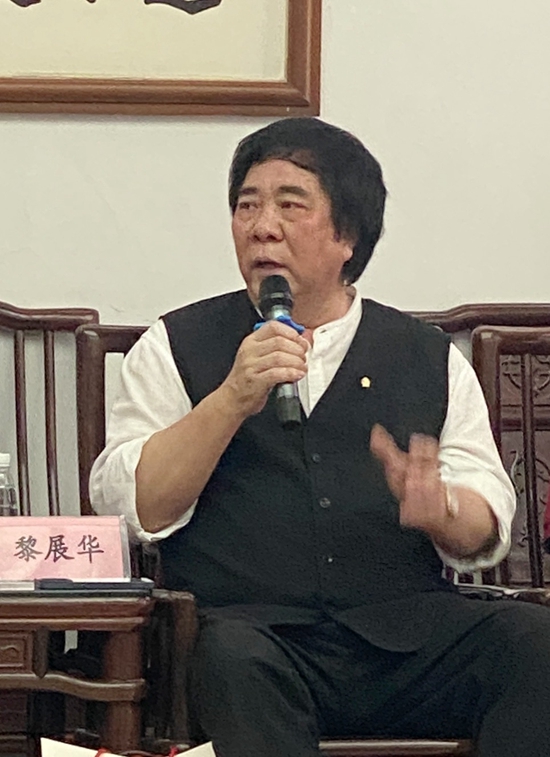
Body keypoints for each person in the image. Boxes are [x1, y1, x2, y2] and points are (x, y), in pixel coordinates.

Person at [91, 117, 550, 757]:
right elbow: (136, 508)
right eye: (246, 206)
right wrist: (230, 399)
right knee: (231, 657)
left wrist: (443, 511)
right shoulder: (175, 344)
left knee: (533, 641)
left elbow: (485, 521)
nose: (262, 227)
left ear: (347, 235)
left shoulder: (426, 356)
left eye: (290, 205)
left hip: (405, 640)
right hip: (254, 639)